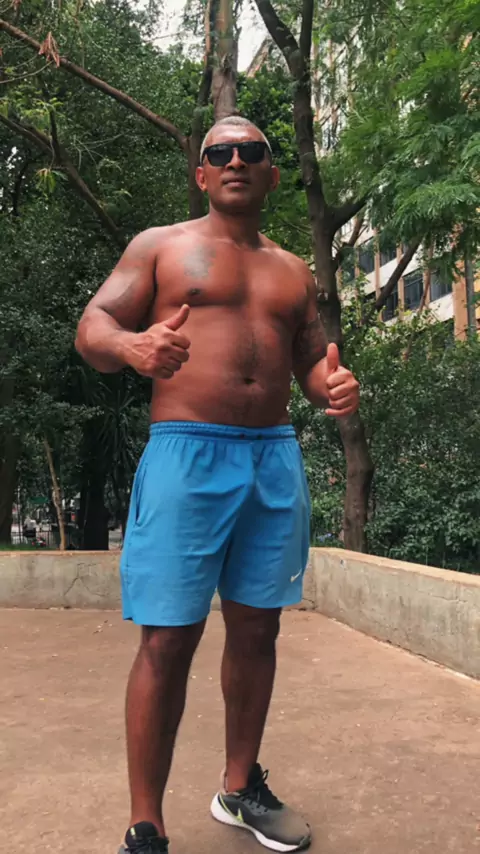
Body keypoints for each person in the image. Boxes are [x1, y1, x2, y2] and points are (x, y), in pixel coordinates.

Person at [75, 115, 360, 854]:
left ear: (271, 174)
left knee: (258, 628)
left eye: (251, 151)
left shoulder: (293, 271)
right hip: (187, 454)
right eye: (220, 152)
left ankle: (239, 789)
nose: (236, 159)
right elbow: (93, 328)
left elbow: (310, 361)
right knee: (168, 637)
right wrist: (133, 345)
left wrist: (330, 385)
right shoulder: (160, 246)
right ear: (201, 173)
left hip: (272, 457)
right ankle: (146, 824)